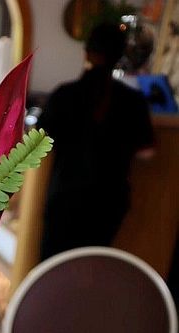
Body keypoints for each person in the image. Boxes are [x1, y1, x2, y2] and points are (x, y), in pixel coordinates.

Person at [37, 21, 156, 260]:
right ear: (119, 57)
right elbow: (147, 152)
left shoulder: (64, 95)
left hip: (64, 199)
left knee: (53, 271)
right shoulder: (133, 101)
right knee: (89, 272)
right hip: (108, 204)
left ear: (86, 53)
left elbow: (37, 144)